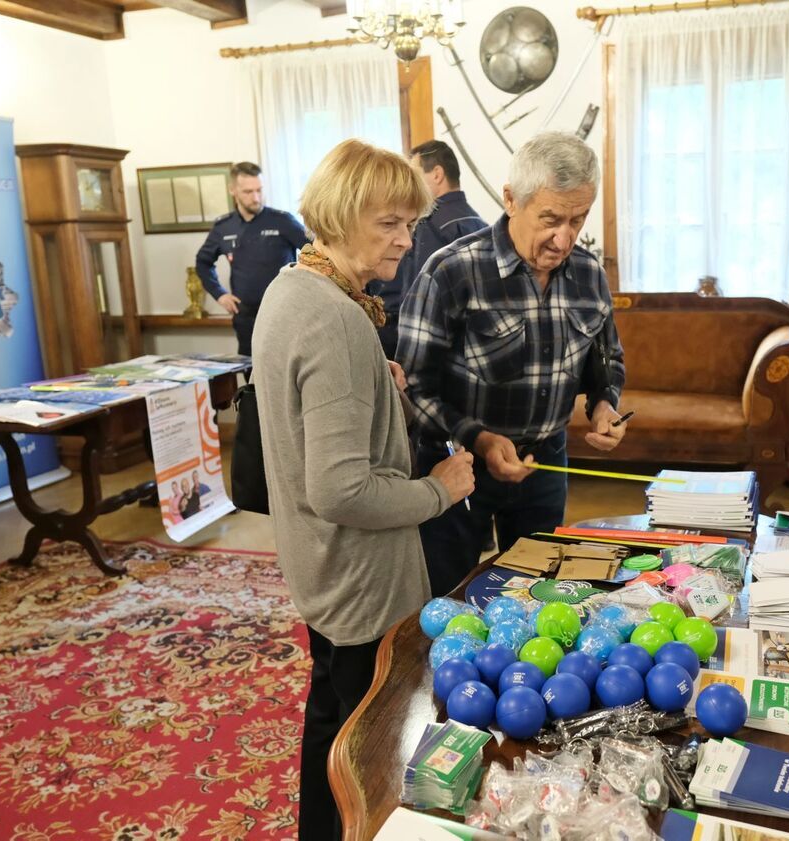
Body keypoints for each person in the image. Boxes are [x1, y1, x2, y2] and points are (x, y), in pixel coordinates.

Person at [252, 138, 475, 841]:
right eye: (390, 223)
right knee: (376, 754)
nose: (407, 241)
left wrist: (375, 388)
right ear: (343, 216)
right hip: (361, 581)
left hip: (321, 570)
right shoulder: (336, 318)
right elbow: (343, 488)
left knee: (332, 733)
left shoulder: (292, 290)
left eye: (410, 223)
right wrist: (440, 489)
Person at [398, 131, 627, 597]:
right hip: (457, 465)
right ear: (510, 199)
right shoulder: (451, 271)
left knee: (539, 595)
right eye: (551, 218)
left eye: (578, 220)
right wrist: (480, 441)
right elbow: (413, 389)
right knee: (450, 599)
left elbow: (606, 361)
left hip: (546, 464)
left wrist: (605, 404)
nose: (564, 238)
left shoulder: (588, 274)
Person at [366, 140, 488, 359]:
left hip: (427, 347)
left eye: (415, 173)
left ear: (437, 174)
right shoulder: (479, 222)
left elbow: (417, 298)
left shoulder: (429, 225)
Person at [195, 162, 309, 356]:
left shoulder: (282, 221)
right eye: (248, 192)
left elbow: (316, 253)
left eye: (259, 190)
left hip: (284, 313)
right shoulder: (224, 226)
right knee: (251, 377)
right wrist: (220, 294)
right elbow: (202, 262)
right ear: (233, 190)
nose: (256, 198)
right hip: (246, 317)